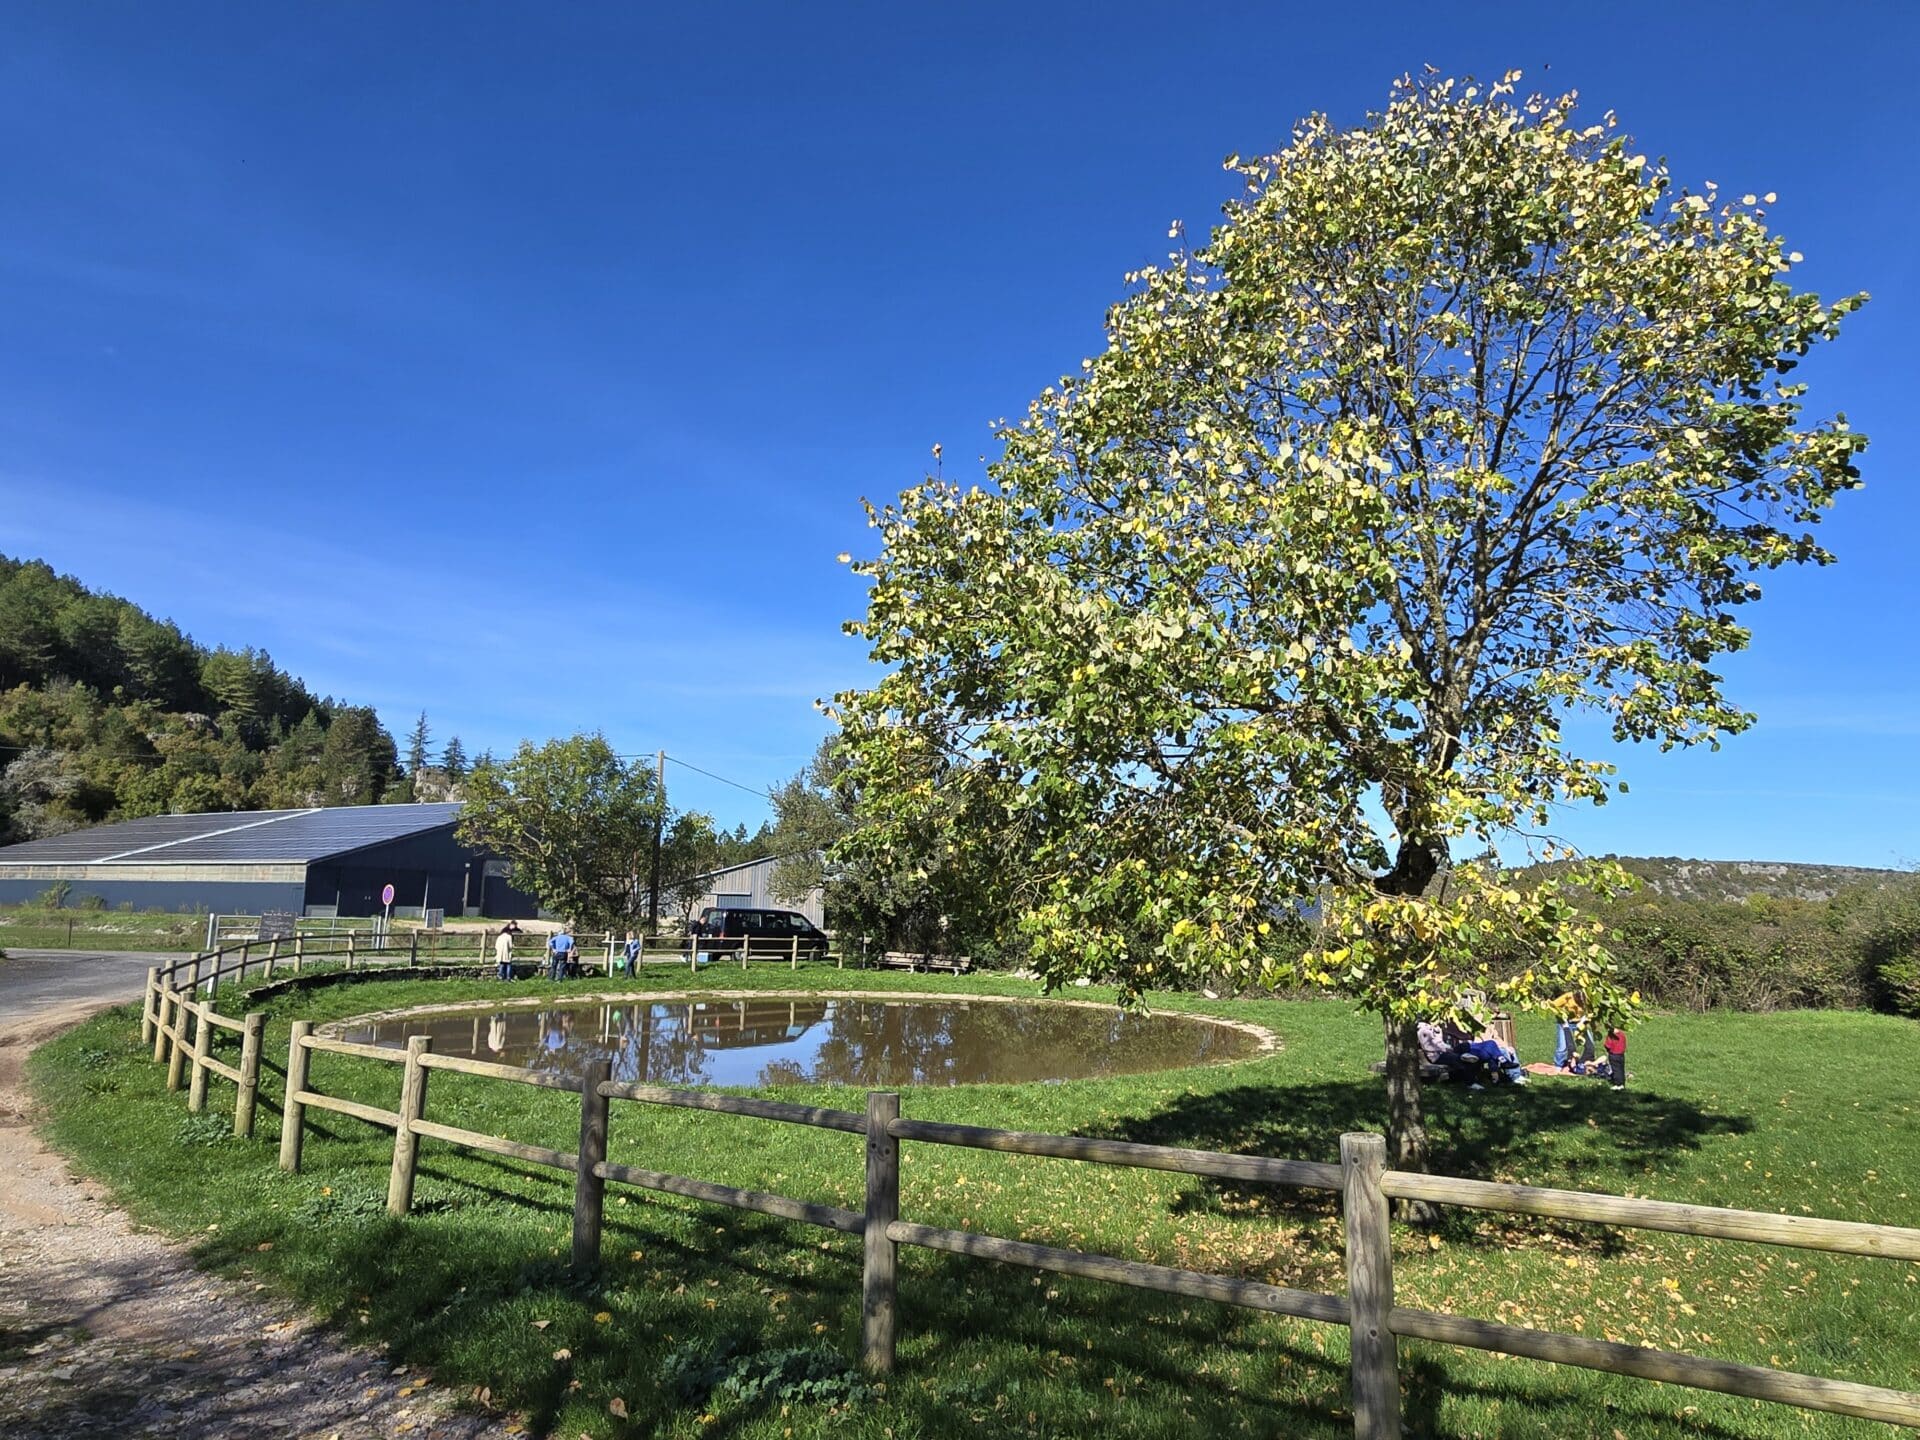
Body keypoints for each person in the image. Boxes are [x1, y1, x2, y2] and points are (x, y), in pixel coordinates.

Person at [1551, 989, 1594, 1074]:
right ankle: (1558, 1065)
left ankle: (1583, 1062)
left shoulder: (1588, 998)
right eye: (1579, 1001)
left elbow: (1591, 1012)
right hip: (1565, 1022)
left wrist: (1584, 1020)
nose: (1581, 1003)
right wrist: (1561, 1015)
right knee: (1562, 1046)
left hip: (1580, 1023)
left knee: (1590, 1044)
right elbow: (1553, 1005)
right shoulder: (1568, 997)